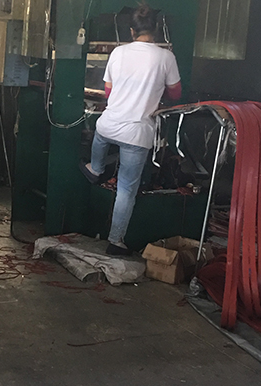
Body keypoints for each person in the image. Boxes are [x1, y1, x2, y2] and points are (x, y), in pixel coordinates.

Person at [80, 3, 182, 257]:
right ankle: (116, 241)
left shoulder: (118, 52)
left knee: (100, 136)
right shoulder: (166, 57)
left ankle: (96, 168)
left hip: (109, 125)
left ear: (131, 31)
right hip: (137, 134)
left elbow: (108, 91)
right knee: (126, 190)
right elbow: (175, 94)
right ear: (155, 30)